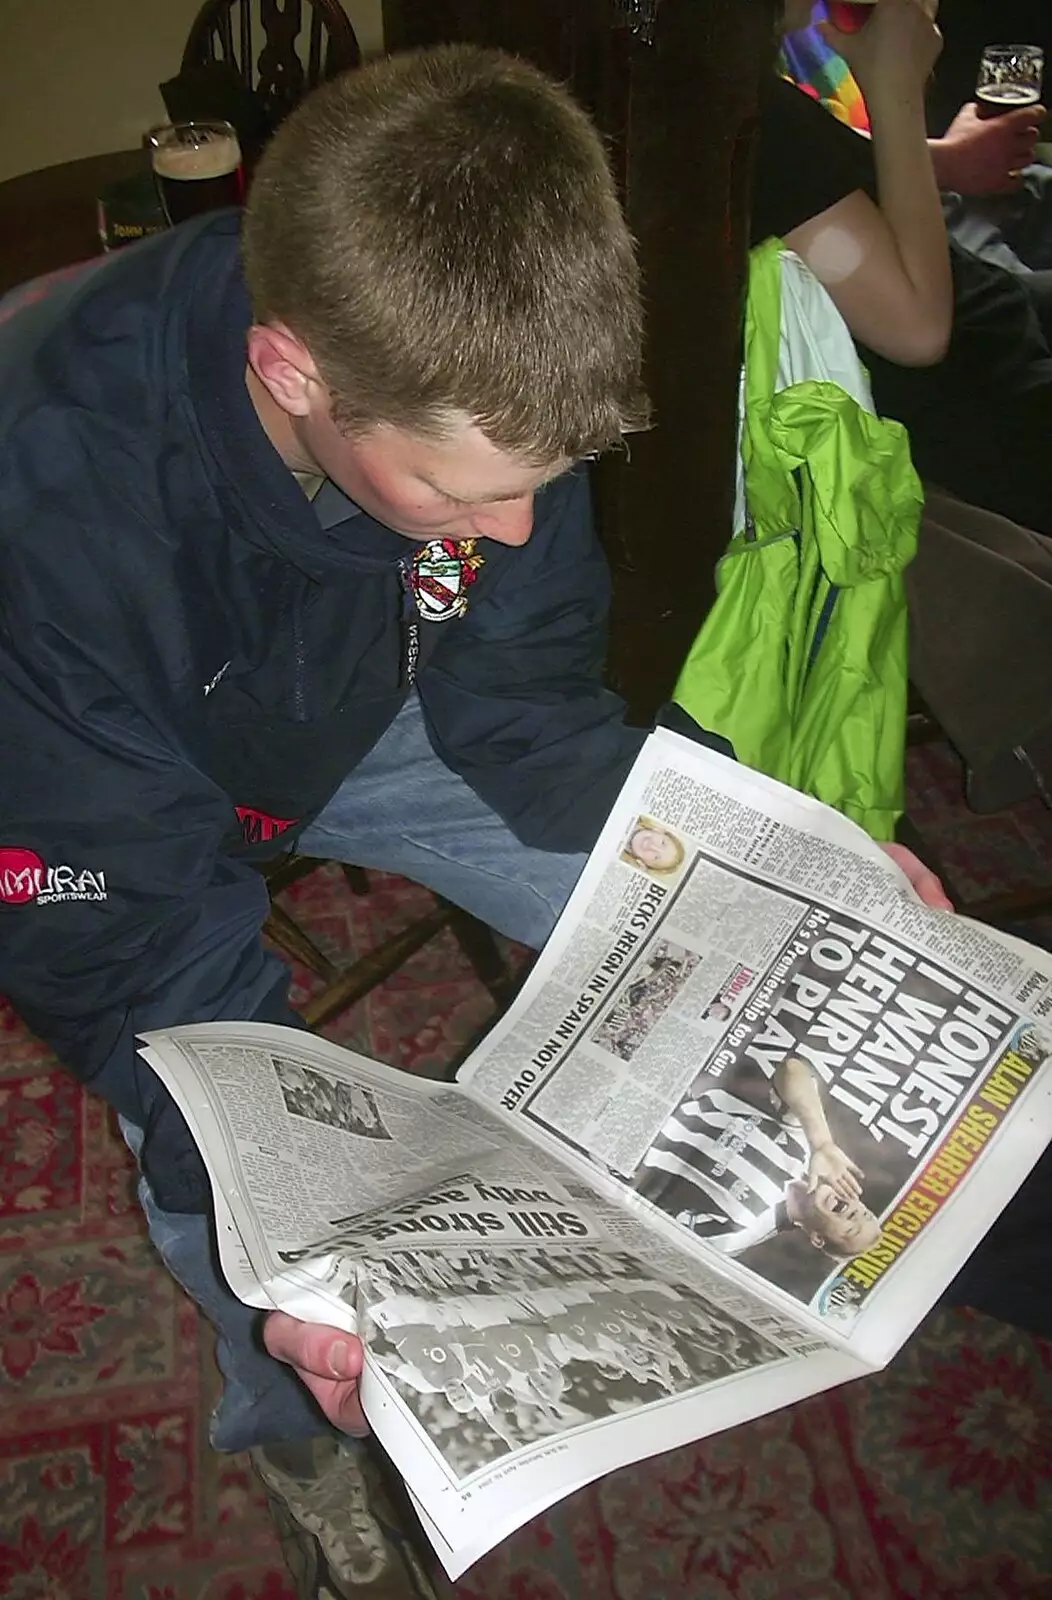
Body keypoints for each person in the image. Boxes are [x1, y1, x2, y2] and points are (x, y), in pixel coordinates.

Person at [0, 41, 950, 1598]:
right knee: (204, 1140)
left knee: (717, 907)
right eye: (463, 494)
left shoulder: (489, 378)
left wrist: (769, 851)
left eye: (545, 482)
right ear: (296, 370)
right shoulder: (48, 510)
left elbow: (528, 707)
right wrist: (306, 1231)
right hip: (113, 770)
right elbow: (121, 931)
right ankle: (289, 1418)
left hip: (380, 700)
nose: (512, 527)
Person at [765, 0, 1052, 536]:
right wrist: (894, 82)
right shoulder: (750, 113)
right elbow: (919, 334)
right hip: (982, 403)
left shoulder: (745, 88)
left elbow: (826, 170)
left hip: (993, 324)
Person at [637, 1056, 883, 1261]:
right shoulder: (806, 1148)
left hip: (630, 1141)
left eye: (851, 1229)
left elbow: (649, 1221)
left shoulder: (738, 1235)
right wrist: (823, 1143)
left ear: (818, 1238)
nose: (854, 1214)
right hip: (663, 1084)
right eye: (864, 1213)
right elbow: (792, 1069)